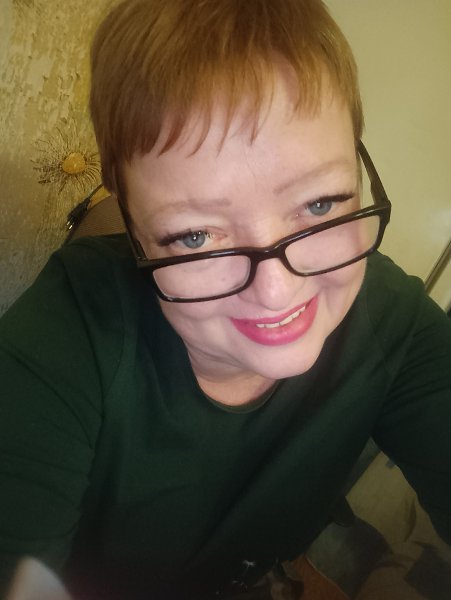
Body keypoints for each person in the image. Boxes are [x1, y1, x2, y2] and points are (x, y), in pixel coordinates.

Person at [1, 0, 450, 598]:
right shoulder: (64, 341)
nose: (276, 290)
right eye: (195, 236)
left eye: (319, 204)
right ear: (134, 231)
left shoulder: (394, 320)